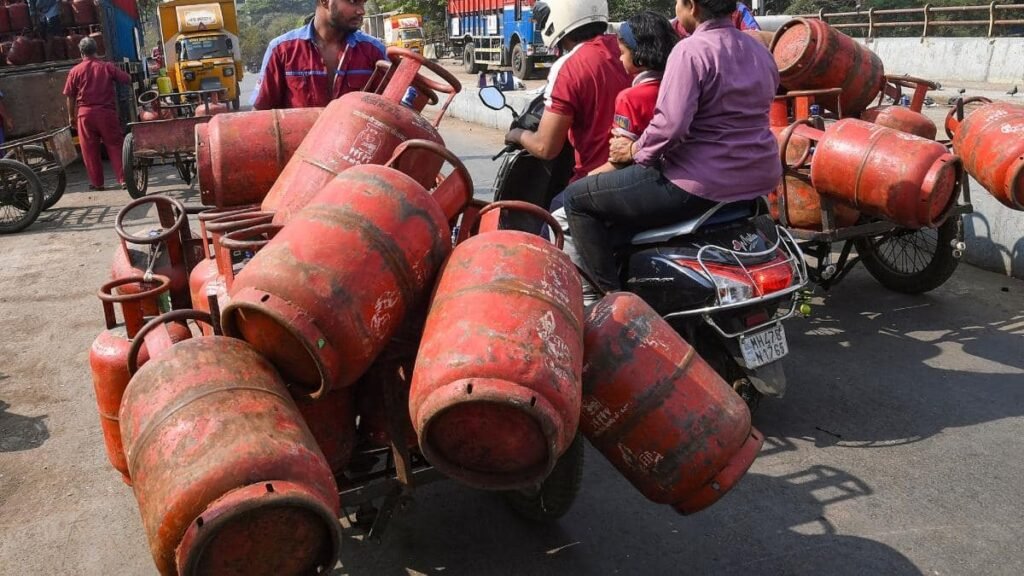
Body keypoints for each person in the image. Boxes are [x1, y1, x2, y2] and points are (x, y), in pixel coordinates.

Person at [563, 0, 782, 293]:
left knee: (577, 199)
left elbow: (670, 126)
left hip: (699, 184)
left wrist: (634, 151)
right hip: (758, 178)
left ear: (691, 6)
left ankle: (608, 302)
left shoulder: (691, 50)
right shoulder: (758, 50)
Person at [503, 0, 631, 183]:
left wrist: (516, 135)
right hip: (638, 173)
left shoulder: (569, 66)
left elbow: (545, 148)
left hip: (596, 180)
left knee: (554, 209)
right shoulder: (625, 49)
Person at [252, 0, 386, 110]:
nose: (361, 10)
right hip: (300, 142)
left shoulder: (374, 51)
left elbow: (395, 111)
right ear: (325, 1)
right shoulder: (281, 50)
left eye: (363, 3)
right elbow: (260, 113)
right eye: (353, 2)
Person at [589, 11, 678, 176]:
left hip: (644, 175)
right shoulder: (679, 86)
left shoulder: (629, 98)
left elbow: (619, 160)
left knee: (570, 195)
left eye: (622, 52)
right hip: (679, 167)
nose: (621, 59)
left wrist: (589, 178)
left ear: (640, 56)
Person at [63, 37, 132, 191]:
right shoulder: (106, 67)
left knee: (89, 149)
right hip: (106, 113)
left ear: (81, 52)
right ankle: (123, 179)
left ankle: (97, 183)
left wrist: (71, 117)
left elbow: (70, 96)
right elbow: (126, 79)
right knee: (114, 145)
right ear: (96, 50)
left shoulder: (75, 71)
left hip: (85, 115)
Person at [671, 1, 759, 37]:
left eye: (677, 2)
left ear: (691, 5)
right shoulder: (673, 28)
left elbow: (757, 37)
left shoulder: (739, 12)